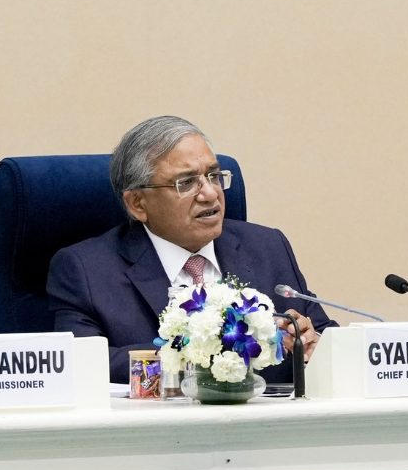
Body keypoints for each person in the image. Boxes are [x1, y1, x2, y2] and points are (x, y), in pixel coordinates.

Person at [46, 115, 334, 383]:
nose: (210, 193)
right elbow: (82, 363)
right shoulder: (86, 270)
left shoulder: (268, 247)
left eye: (214, 175)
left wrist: (312, 343)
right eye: (185, 183)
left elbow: (327, 338)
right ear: (137, 204)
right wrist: (200, 356)